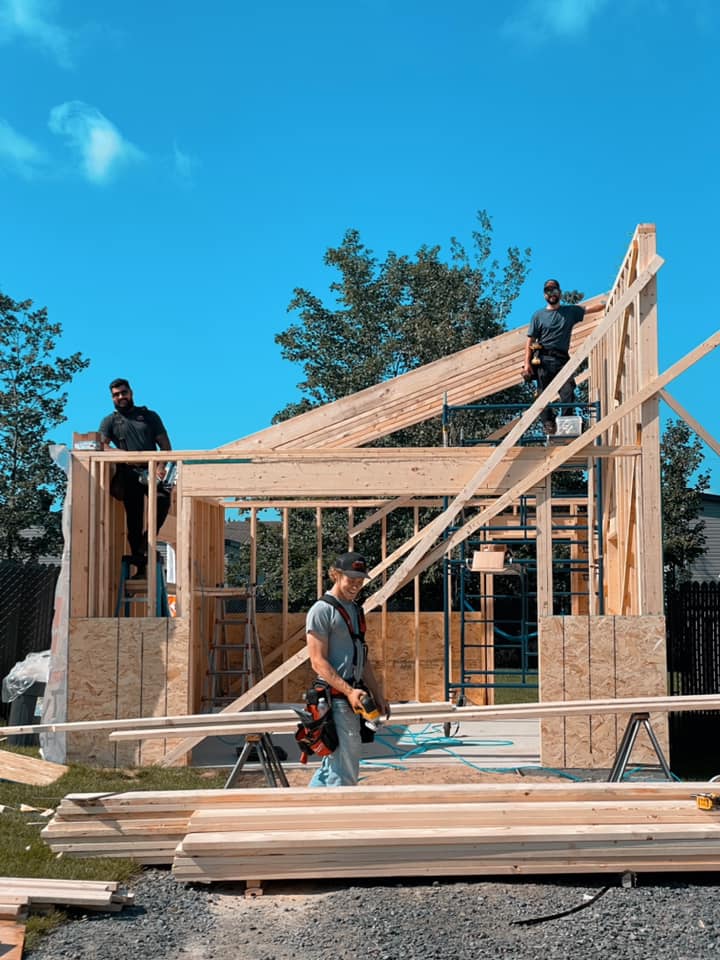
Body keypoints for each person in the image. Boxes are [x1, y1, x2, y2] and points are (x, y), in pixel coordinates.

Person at [305, 551, 390, 787]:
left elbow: (361, 659)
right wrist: (349, 691)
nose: (356, 585)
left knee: (336, 764)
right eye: (350, 579)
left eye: (360, 580)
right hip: (335, 699)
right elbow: (317, 662)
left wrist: (378, 694)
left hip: (352, 696)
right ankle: (336, 817)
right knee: (345, 768)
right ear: (336, 574)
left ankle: (312, 810)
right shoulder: (322, 610)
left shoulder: (354, 609)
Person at [99, 378, 172, 579]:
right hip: (129, 474)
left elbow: (165, 446)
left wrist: (161, 466)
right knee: (134, 519)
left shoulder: (148, 416)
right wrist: (122, 455)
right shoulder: (110, 421)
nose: (120, 397)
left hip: (150, 470)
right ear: (112, 398)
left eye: (123, 393)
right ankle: (140, 566)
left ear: (131, 392)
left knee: (163, 499)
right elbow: (101, 445)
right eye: (116, 395)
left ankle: (145, 541)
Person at [523, 279, 585, 435]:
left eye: (554, 291)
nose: (551, 294)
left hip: (561, 359)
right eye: (548, 292)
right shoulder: (538, 316)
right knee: (542, 393)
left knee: (568, 390)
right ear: (545, 295)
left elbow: (588, 308)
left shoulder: (569, 312)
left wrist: (608, 304)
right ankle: (549, 424)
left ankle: (565, 423)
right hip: (543, 359)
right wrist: (527, 365)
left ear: (560, 293)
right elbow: (530, 341)